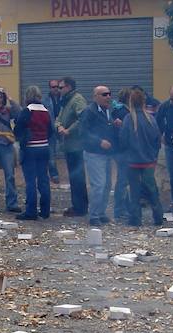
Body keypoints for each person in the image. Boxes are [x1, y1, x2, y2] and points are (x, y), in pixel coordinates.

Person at [119, 88, 163, 227]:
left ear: (131, 102)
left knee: (134, 191)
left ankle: (135, 219)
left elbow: (123, 140)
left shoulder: (128, 119)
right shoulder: (151, 119)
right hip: (149, 162)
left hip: (132, 162)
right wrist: (153, 155)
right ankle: (158, 217)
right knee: (152, 190)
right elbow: (157, 140)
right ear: (144, 102)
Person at [80, 85, 119, 226]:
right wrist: (99, 141)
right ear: (95, 97)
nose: (108, 97)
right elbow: (83, 133)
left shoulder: (109, 111)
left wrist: (115, 125)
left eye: (109, 94)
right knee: (99, 185)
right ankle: (94, 215)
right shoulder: (89, 112)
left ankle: (101, 213)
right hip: (94, 154)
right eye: (104, 94)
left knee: (107, 185)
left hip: (107, 154)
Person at [14, 85, 53, 221]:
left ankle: (31, 211)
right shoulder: (46, 111)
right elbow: (51, 131)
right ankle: (45, 210)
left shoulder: (27, 111)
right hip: (44, 148)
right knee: (43, 179)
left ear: (27, 97)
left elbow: (18, 131)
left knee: (30, 181)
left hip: (30, 148)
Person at [56, 76, 88, 217]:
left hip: (77, 146)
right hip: (69, 146)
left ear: (69, 87)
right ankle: (78, 206)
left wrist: (69, 130)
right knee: (74, 177)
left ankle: (80, 208)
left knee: (77, 178)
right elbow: (58, 118)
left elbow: (83, 119)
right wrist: (59, 126)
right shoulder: (66, 101)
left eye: (61, 87)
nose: (59, 90)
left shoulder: (77, 100)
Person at [111, 88, 131, 221]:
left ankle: (122, 208)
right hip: (124, 151)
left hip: (118, 150)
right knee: (123, 180)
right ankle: (120, 210)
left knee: (123, 180)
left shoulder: (116, 110)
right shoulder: (124, 112)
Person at [45, 79, 62, 184]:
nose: (56, 89)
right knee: (51, 156)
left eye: (57, 87)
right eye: (53, 87)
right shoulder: (45, 100)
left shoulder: (64, 98)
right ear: (50, 88)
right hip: (51, 131)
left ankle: (72, 173)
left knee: (69, 152)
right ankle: (54, 175)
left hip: (63, 130)